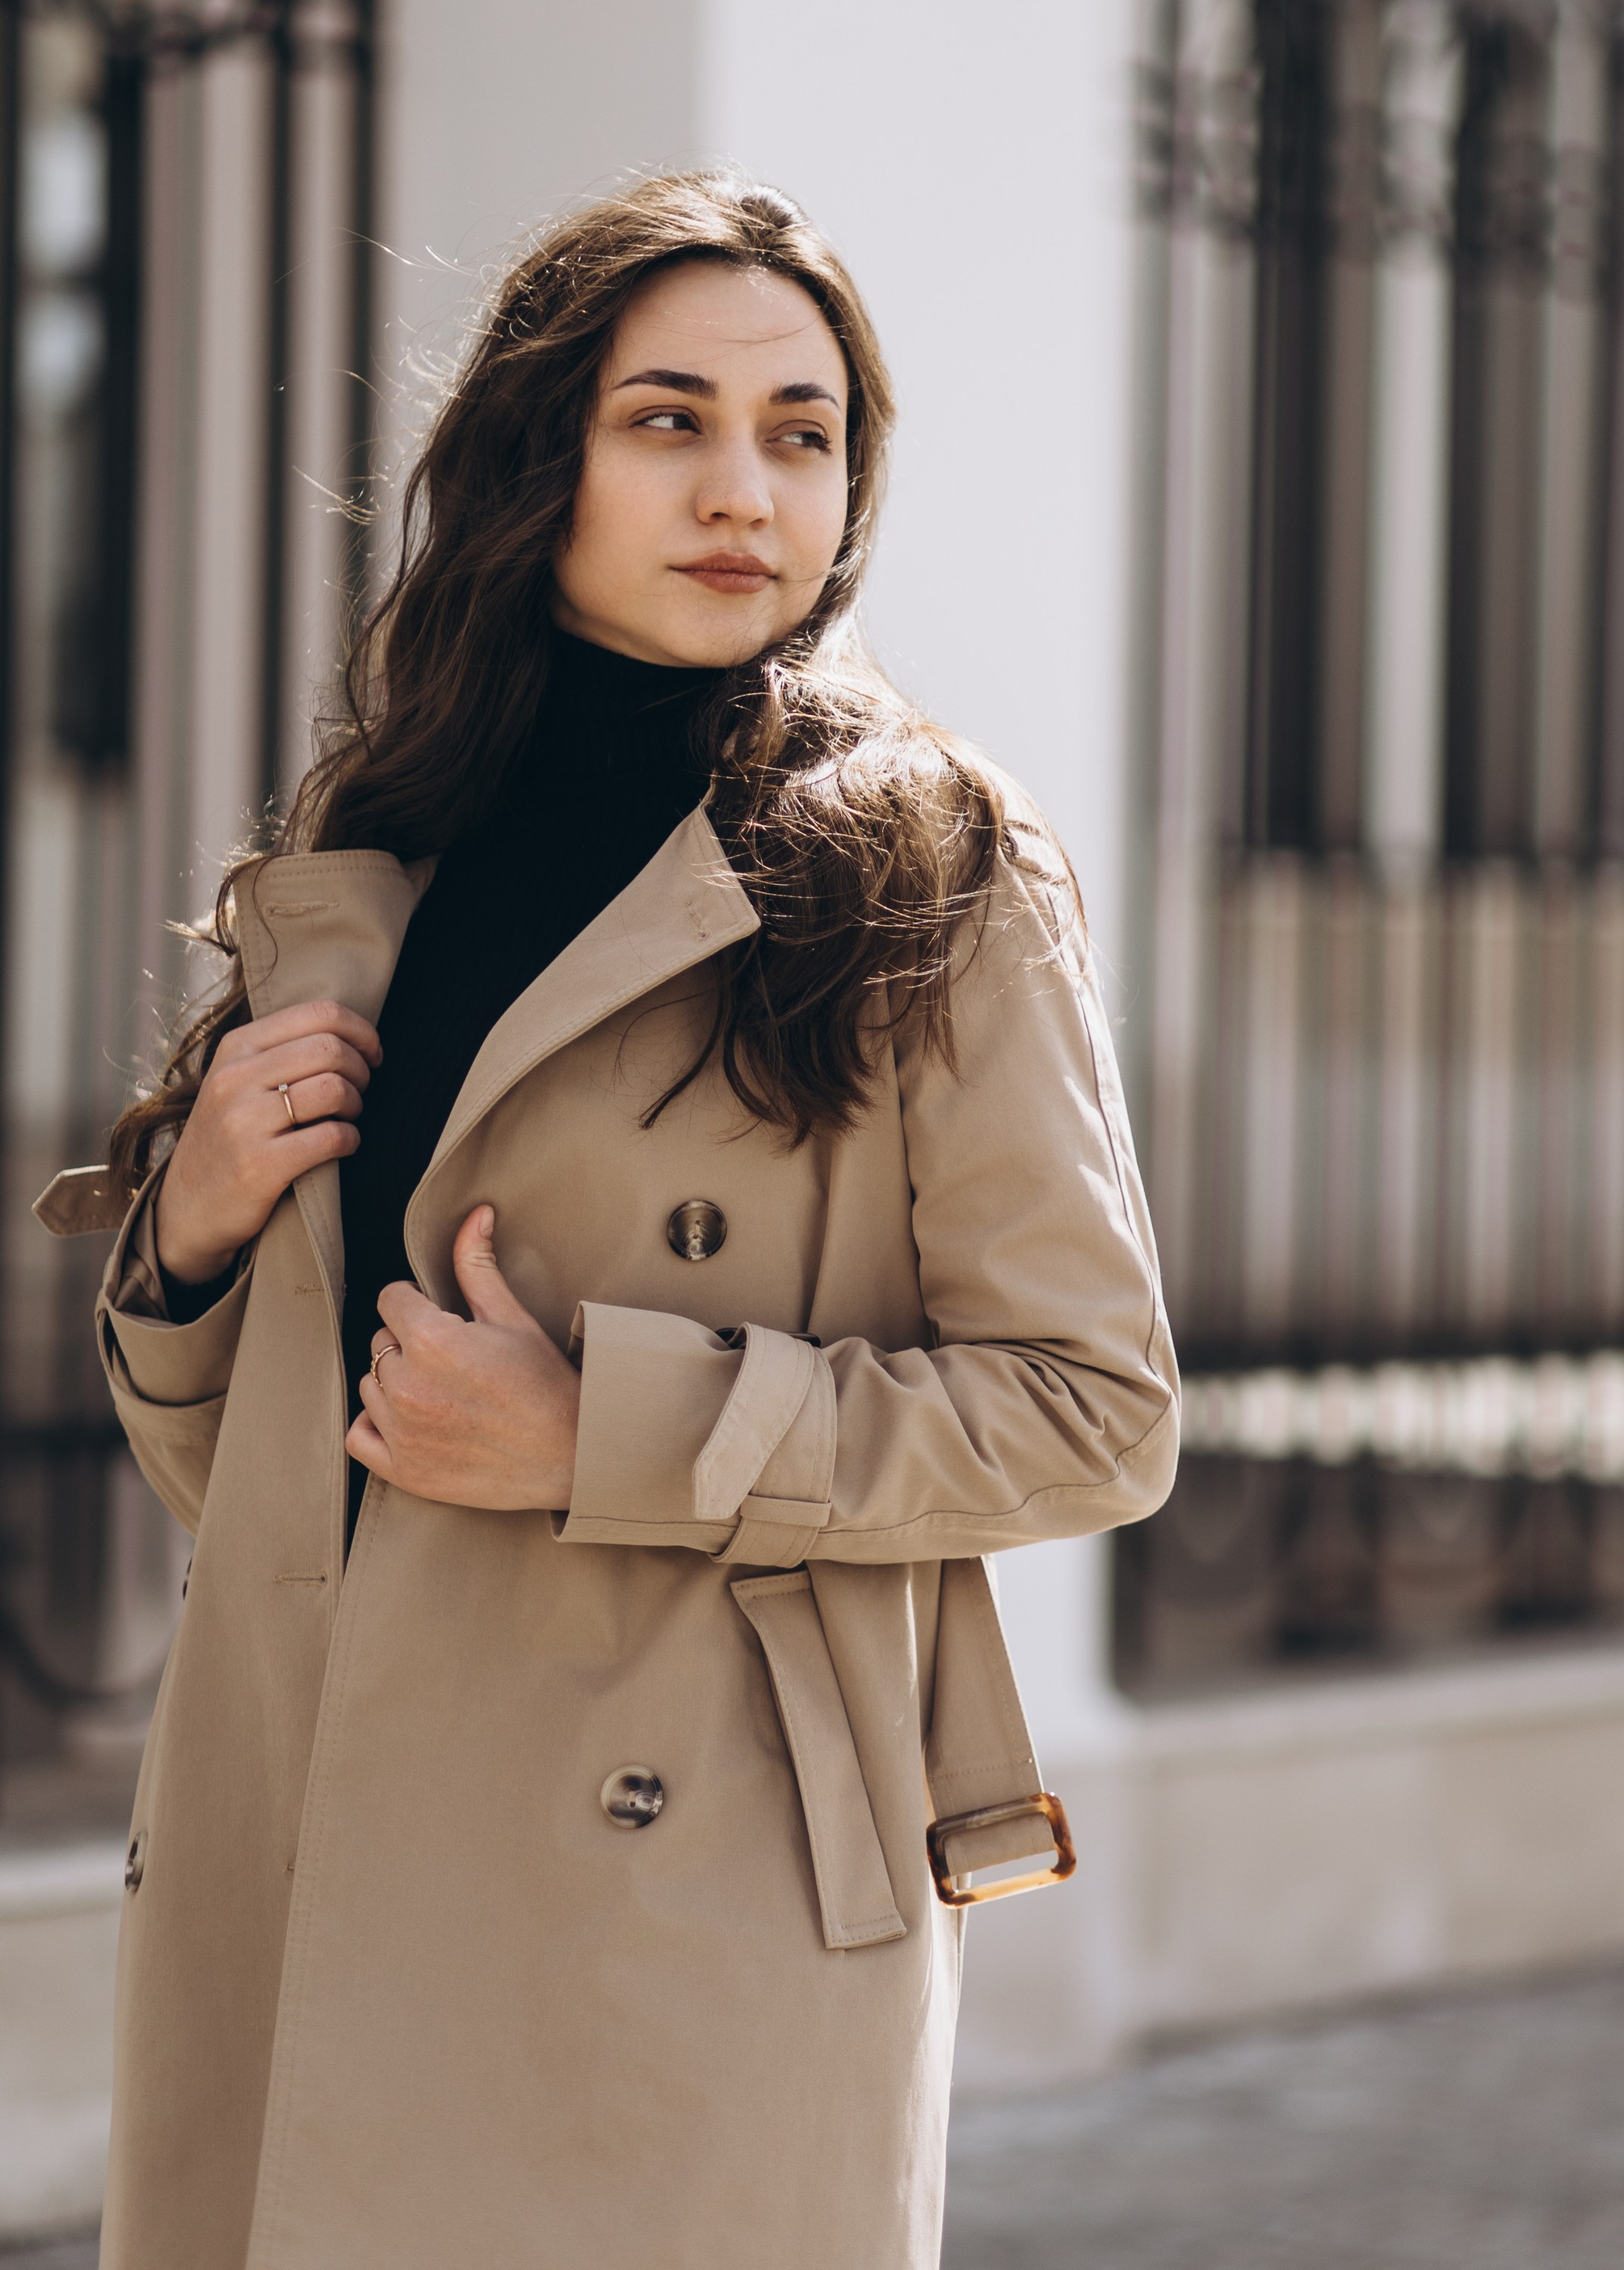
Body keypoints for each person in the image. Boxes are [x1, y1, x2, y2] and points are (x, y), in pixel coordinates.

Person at [71, 171, 1178, 2270]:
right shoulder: (377, 850)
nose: (743, 485)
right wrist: (197, 1238)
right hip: (301, 1850)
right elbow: (270, 1480)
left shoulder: (928, 867)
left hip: (691, 1907)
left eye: (802, 430)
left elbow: (1099, 1412)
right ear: (537, 458)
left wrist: (608, 1433)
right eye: (669, 418)